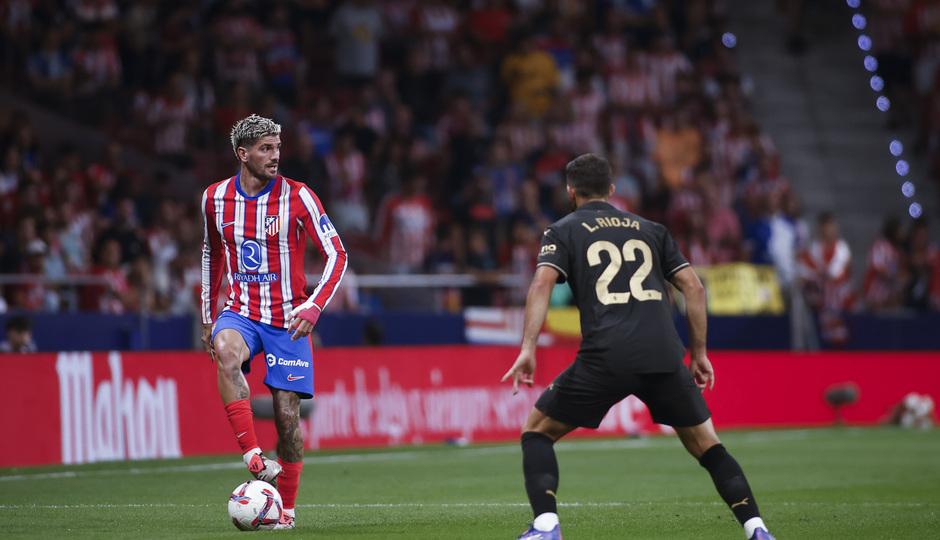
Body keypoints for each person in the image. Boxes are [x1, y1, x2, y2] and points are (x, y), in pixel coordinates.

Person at [501, 154, 775, 540]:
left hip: (606, 355)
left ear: (570, 192)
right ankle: (757, 529)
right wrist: (698, 355)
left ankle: (546, 527)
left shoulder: (562, 230)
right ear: (612, 191)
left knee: (537, 432)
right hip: (664, 355)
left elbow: (542, 284)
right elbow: (694, 289)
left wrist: (528, 347)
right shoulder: (652, 229)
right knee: (708, 445)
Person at [200, 114, 347, 530]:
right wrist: (209, 317)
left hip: (289, 320)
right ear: (242, 154)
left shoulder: (299, 197)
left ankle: (287, 510)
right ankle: (251, 456)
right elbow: (211, 255)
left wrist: (314, 306)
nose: (275, 156)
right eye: (265, 149)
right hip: (242, 312)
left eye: (278, 148)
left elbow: (338, 254)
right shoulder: (214, 199)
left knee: (287, 418)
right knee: (225, 354)